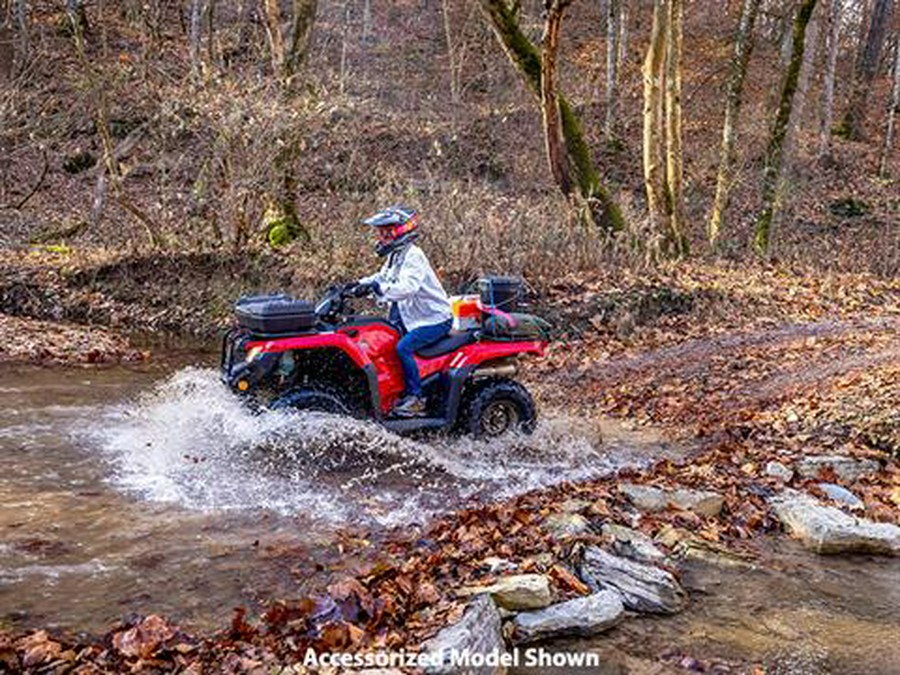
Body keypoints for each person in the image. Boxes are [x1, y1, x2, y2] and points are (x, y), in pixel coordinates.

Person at [353, 206, 452, 417]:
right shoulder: (396, 255)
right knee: (381, 343)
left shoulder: (414, 255)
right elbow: (381, 277)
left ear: (402, 230)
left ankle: (416, 399)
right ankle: (390, 393)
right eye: (380, 231)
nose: (381, 236)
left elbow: (408, 288)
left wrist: (378, 289)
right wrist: (356, 285)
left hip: (433, 319)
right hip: (411, 317)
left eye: (387, 231)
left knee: (403, 348)